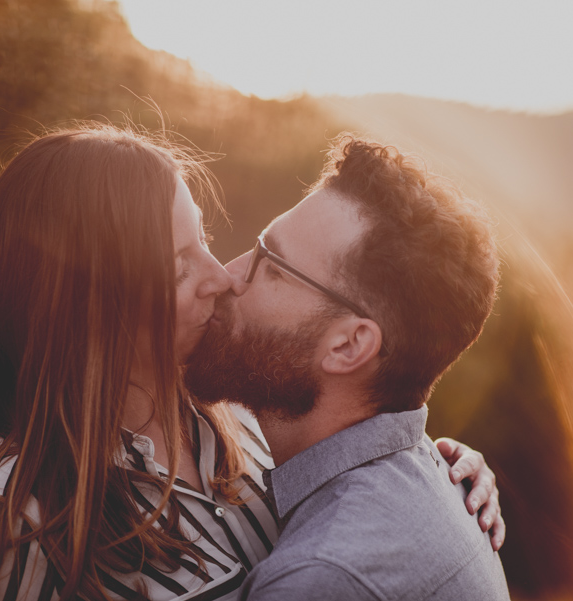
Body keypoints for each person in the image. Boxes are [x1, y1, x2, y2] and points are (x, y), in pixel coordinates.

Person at [0, 125, 504, 601]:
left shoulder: (248, 418)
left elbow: (350, 469)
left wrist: (425, 476)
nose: (222, 276)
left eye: (203, 239)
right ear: (90, 307)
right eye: (181, 265)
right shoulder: (16, 522)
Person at [185, 136, 509, 600]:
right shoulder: (433, 479)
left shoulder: (321, 578)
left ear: (348, 346)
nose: (227, 275)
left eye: (271, 266)